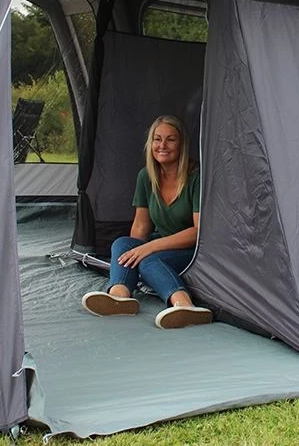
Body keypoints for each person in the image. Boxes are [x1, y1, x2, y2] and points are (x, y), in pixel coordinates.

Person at [81, 114, 213, 329]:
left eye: (171, 139)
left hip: (194, 250)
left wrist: (149, 248)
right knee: (122, 244)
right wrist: (133, 254)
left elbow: (198, 231)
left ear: (182, 144)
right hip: (163, 245)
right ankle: (119, 296)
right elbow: (141, 225)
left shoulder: (196, 177)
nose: (162, 145)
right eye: (157, 139)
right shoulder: (146, 176)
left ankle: (185, 306)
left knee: (148, 260)